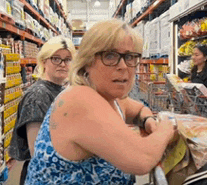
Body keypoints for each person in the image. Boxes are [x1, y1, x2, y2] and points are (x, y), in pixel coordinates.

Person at [24, 19, 176, 184]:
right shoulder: (79, 99)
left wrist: (148, 120)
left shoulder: (110, 98)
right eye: (110, 56)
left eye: (131, 57)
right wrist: (166, 127)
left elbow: (139, 109)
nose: (123, 66)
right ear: (87, 62)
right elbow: (142, 159)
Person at [9, 36, 76, 185]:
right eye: (56, 59)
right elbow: (38, 153)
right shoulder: (38, 96)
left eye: (68, 59)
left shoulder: (60, 90)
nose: (63, 64)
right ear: (44, 61)